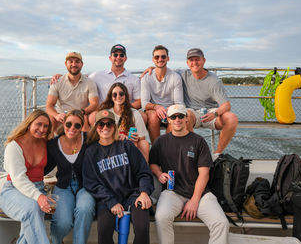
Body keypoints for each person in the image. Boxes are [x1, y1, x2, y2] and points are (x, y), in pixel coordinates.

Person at [149, 104, 229, 244]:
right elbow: (153, 163)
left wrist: (194, 200)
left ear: (187, 118)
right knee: (161, 217)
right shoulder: (161, 142)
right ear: (168, 120)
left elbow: (204, 174)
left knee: (221, 223)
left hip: (200, 193)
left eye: (181, 116)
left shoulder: (199, 141)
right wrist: (159, 173)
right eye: (173, 117)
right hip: (172, 192)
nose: (177, 119)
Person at [83, 110, 154, 244]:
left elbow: (143, 172)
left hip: (133, 195)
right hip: (107, 198)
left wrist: (144, 193)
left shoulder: (126, 145)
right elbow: (91, 183)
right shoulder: (91, 152)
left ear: (114, 127)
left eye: (109, 124)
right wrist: (111, 201)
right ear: (96, 127)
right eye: (101, 124)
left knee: (142, 227)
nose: (105, 128)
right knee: (104, 229)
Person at [0, 109, 54, 244]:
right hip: (13, 191)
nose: (42, 129)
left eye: (46, 126)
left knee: (30, 225)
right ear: (29, 123)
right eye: (38, 124)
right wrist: (39, 197)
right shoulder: (14, 147)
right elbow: (18, 179)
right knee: (32, 209)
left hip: (39, 189)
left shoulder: (45, 143)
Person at [45, 109, 95, 244]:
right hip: (63, 187)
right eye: (68, 124)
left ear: (82, 127)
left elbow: (107, 142)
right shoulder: (54, 144)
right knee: (63, 223)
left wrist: (122, 139)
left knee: (84, 210)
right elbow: (43, 168)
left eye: (77, 125)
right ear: (64, 124)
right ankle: (56, 241)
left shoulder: (89, 140)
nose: (72, 128)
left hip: (86, 186)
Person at [183, 48, 238, 158]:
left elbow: (226, 105)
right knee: (185, 115)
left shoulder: (214, 80)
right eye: (191, 60)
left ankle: (217, 155)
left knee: (232, 118)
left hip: (211, 112)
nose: (194, 63)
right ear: (187, 63)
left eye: (197, 59)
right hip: (193, 113)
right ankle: (193, 154)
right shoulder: (183, 74)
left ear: (204, 60)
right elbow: (164, 70)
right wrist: (152, 68)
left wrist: (215, 114)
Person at [141, 45, 184, 144]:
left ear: (168, 58)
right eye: (157, 57)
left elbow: (179, 102)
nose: (160, 59)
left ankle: (167, 149)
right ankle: (157, 149)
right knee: (153, 116)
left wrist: (169, 110)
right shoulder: (146, 78)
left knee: (174, 116)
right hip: (153, 110)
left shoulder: (175, 77)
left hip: (171, 109)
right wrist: (156, 107)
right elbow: (144, 103)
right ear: (153, 59)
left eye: (163, 57)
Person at [46, 52, 99, 132]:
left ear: (82, 64)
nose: (74, 64)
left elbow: (94, 103)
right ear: (66, 64)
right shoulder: (57, 82)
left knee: (87, 117)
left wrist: (83, 111)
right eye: (70, 61)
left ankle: (86, 142)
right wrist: (57, 115)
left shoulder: (89, 82)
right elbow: (49, 105)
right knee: (49, 119)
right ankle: (51, 143)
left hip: (80, 115)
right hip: (62, 116)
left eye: (77, 62)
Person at [98, 82, 150, 161]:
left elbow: (142, 136)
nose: (118, 97)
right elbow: (98, 135)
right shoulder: (106, 114)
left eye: (121, 94)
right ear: (111, 97)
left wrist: (135, 138)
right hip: (111, 145)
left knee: (144, 144)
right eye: (114, 94)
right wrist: (116, 136)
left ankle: (143, 171)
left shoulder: (134, 113)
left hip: (129, 145)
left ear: (125, 96)